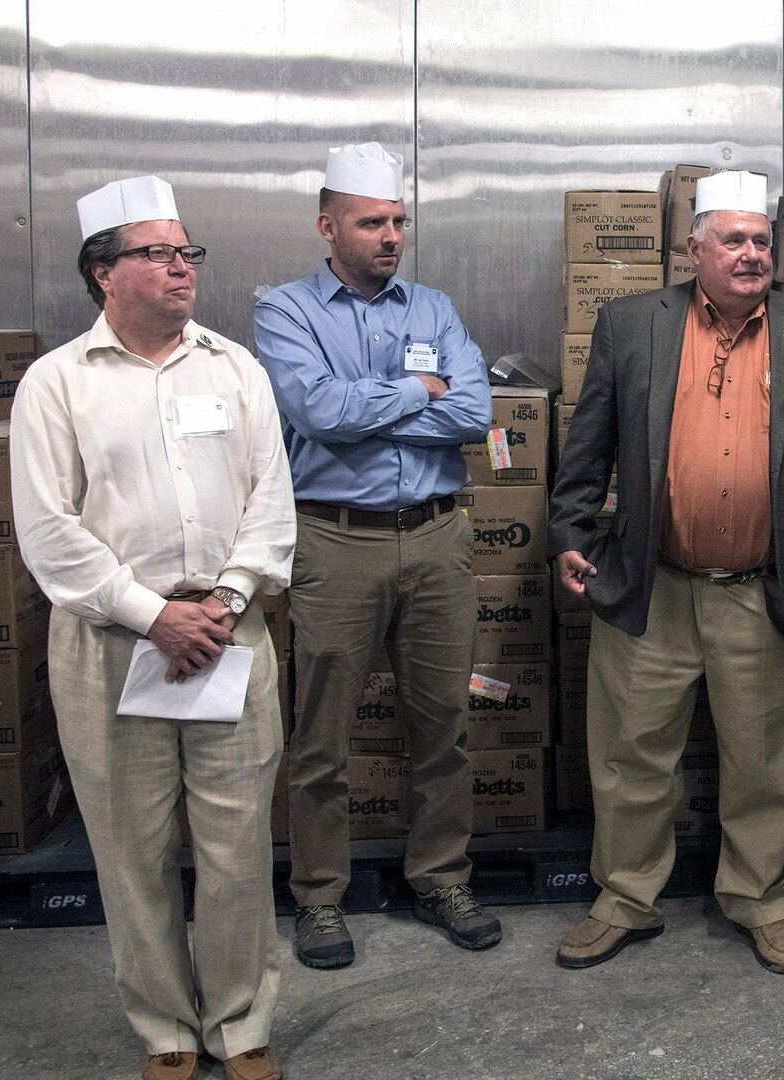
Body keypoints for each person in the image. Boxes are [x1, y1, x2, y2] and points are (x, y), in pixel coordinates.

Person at [12, 175, 293, 1080]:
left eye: (187, 253)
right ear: (104, 273)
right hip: (110, 643)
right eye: (158, 254)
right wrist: (151, 615)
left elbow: (270, 501)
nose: (182, 269)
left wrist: (231, 600)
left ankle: (240, 1025)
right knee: (130, 850)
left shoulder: (234, 367)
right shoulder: (56, 384)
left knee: (238, 845)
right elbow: (49, 532)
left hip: (229, 634)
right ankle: (168, 1029)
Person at [548, 170, 784, 974]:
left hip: (765, 593)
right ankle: (624, 899)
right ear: (693, 250)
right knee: (631, 758)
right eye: (734, 239)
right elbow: (587, 444)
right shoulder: (630, 324)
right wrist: (568, 533)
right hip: (651, 586)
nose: (752, 253)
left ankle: (760, 898)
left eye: (762, 240)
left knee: (763, 765)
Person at [254, 142, 500, 969]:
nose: (391, 236)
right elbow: (315, 409)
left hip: (436, 535)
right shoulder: (284, 310)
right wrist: (413, 392)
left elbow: (473, 414)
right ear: (329, 226)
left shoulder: (433, 307)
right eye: (372, 222)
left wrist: (378, 406)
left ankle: (440, 877)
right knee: (322, 736)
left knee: (444, 724)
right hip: (333, 540)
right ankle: (319, 897)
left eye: (398, 221)